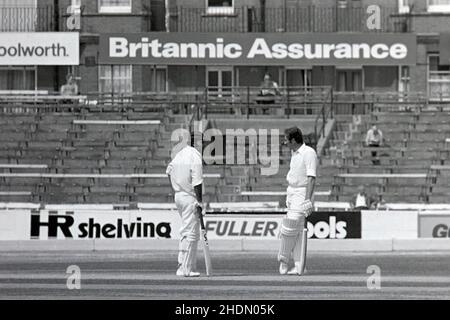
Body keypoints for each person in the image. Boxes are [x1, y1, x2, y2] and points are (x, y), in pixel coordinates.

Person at [278, 127, 317, 276]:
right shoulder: (294, 153)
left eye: (286, 140)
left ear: (293, 140)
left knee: (290, 225)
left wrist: (308, 199)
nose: (284, 142)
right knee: (298, 230)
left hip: (302, 192)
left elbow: (311, 177)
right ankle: (300, 265)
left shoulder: (309, 153)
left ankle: (283, 259)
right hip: (292, 192)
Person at [166, 130, 204, 277]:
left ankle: (183, 264)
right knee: (191, 233)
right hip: (190, 197)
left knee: (185, 230)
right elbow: (197, 181)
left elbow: (168, 171)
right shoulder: (195, 156)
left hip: (179, 196)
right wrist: (199, 201)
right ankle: (186, 269)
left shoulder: (180, 153)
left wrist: (177, 187)